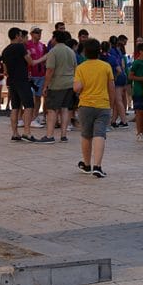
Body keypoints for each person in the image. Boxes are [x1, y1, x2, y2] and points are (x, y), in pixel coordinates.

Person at [74, 38, 114, 177]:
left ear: (85, 52)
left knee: (86, 135)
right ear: (99, 51)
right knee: (100, 134)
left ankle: (87, 165)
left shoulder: (80, 68)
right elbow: (111, 87)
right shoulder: (106, 66)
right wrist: (111, 104)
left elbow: (76, 88)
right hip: (102, 105)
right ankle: (97, 166)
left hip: (85, 105)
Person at [2, 27, 46, 142]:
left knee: (15, 107)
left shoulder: (5, 50)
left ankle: (15, 133)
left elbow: (5, 71)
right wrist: (43, 58)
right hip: (22, 80)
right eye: (21, 35)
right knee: (29, 106)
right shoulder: (20, 47)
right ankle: (27, 132)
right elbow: (31, 62)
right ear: (17, 36)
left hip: (12, 81)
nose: (22, 38)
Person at [41, 30, 77, 143]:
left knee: (52, 110)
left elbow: (50, 70)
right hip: (69, 83)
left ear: (55, 38)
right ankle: (63, 135)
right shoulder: (71, 51)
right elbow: (75, 68)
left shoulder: (53, 51)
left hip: (56, 84)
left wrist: (45, 86)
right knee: (65, 109)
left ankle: (49, 135)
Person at [129, 43, 143, 141]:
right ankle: (139, 133)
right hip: (139, 91)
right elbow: (130, 76)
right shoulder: (136, 63)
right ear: (141, 51)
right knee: (139, 112)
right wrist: (142, 79)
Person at [27, 26, 47, 128]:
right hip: (31, 75)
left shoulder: (42, 46)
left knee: (38, 96)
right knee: (29, 97)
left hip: (41, 75)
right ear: (31, 34)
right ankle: (28, 118)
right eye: (36, 32)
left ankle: (35, 117)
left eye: (39, 32)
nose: (39, 34)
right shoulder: (27, 45)